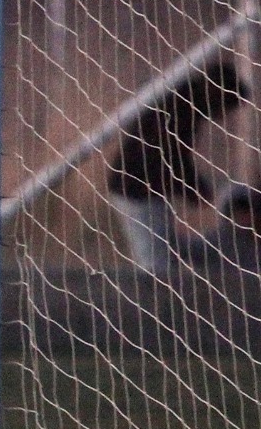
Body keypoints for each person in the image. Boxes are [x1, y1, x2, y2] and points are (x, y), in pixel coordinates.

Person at [106, 57, 249, 274]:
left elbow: (174, 156)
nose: (222, 117)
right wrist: (194, 189)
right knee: (156, 263)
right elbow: (169, 155)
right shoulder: (183, 108)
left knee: (166, 250)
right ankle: (154, 304)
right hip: (136, 188)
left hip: (145, 187)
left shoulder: (183, 101)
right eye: (225, 108)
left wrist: (194, 188)